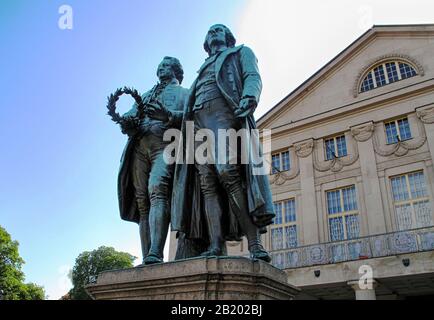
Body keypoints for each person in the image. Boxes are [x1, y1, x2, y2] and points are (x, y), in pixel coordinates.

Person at [170, 24, 275, 262]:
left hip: (223, 116)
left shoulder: (240, 52)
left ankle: (255, 243)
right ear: (206, 41)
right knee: (207, 183)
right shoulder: (201, 70)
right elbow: (188, 107)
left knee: (228, 172)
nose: (214, 32)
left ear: (228, 36)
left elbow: (252, 76)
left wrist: (250, 96)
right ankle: (215, 244)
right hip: (196, 125)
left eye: (219, 29)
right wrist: (167, 116)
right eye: (210, 31)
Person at [117, 56, 189, 265]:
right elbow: (129, 118)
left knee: (157, 189)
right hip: (139, 148)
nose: (161, 69)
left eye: (166, 66)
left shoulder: (184, 93)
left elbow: (194, 116)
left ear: (176, 70)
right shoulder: (146, 95)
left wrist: (167, 115)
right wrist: (127, 122)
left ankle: (156, 252)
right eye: (159, 66)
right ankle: (147, 255)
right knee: (142, 202)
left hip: (166, 145)